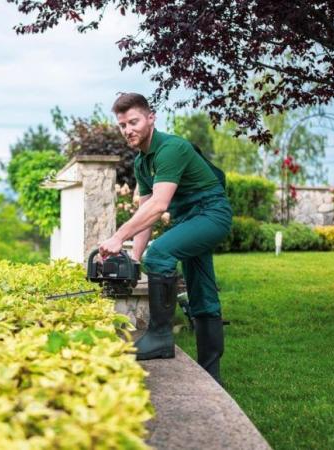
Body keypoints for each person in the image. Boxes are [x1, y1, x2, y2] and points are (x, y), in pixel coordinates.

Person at [98, 92, 232, 385]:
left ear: (150, 118)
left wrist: (119, 236)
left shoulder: (171, 149)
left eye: (133, 122)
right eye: (122, 125)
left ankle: (160, 337)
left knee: (159, 254)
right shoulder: (142, 164)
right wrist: (133, 259)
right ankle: (211, 375)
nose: (128, 130)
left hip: (212, 213)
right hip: (189, 219)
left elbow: (159, 205)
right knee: (202, 294)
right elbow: (147, 212)